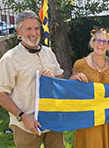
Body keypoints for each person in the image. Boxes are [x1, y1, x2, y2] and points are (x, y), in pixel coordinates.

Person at [0, 10, 64, 148]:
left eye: (36, 28)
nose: (34, 33)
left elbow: (60, 78)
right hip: (26, 124)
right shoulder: (9, 59)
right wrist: (23, 116)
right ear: (19, 32)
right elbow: (1, 95)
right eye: (28, 29)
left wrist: (53, 78)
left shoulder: (48, 52)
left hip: (53, 119)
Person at [69, 28, 109, 148]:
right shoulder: (80, 64)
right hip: (89, 116)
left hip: (108, 116)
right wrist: (75, 76)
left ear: (108, 45)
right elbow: (70, 87)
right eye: (98, 40)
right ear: (92, 42)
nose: (101, 44)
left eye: (105, 42)